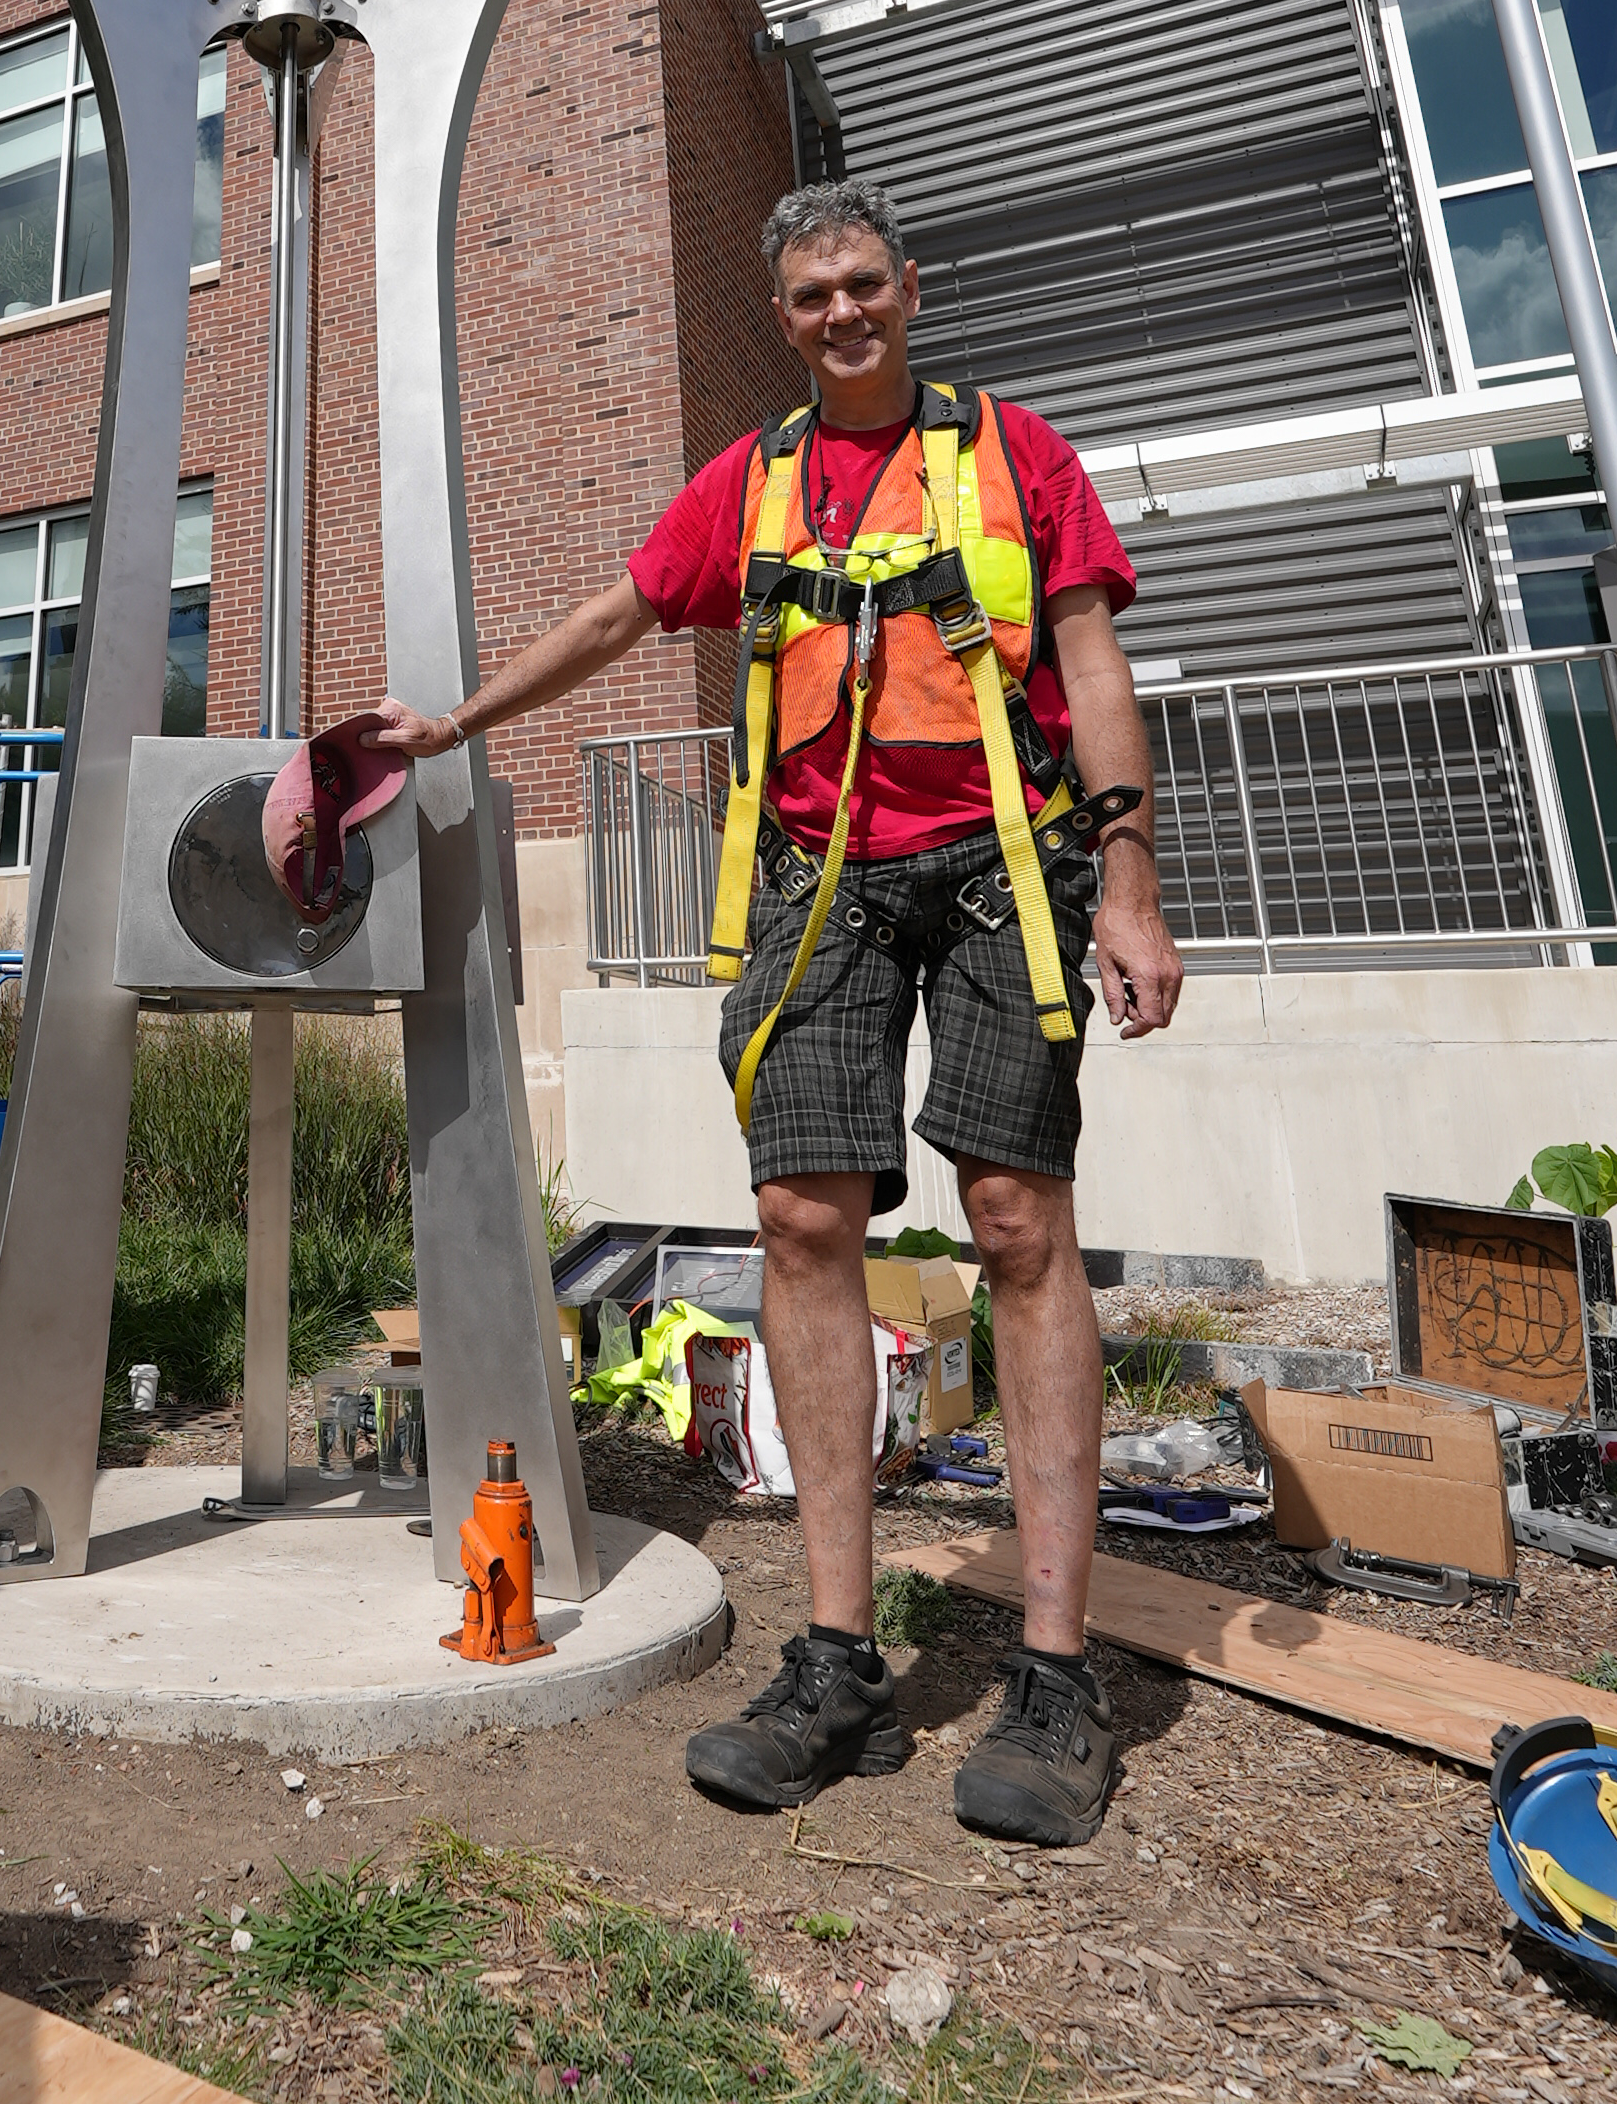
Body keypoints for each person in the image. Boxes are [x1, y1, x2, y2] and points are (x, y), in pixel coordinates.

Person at [355, 174, 1183, 1847]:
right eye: (811, 298)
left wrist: (1134, 880)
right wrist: (452, 726)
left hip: (1001, 867)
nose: (842, 315)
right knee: (802, 1217)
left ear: (912, 286)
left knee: (1019, 1223)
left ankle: (1053, 1675)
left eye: (864, 284)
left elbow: (1089, 663)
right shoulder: (755, 481)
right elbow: (618, 610)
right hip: (815, 883)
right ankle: (840, 1660)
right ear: (786, 317)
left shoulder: (1017, 456)